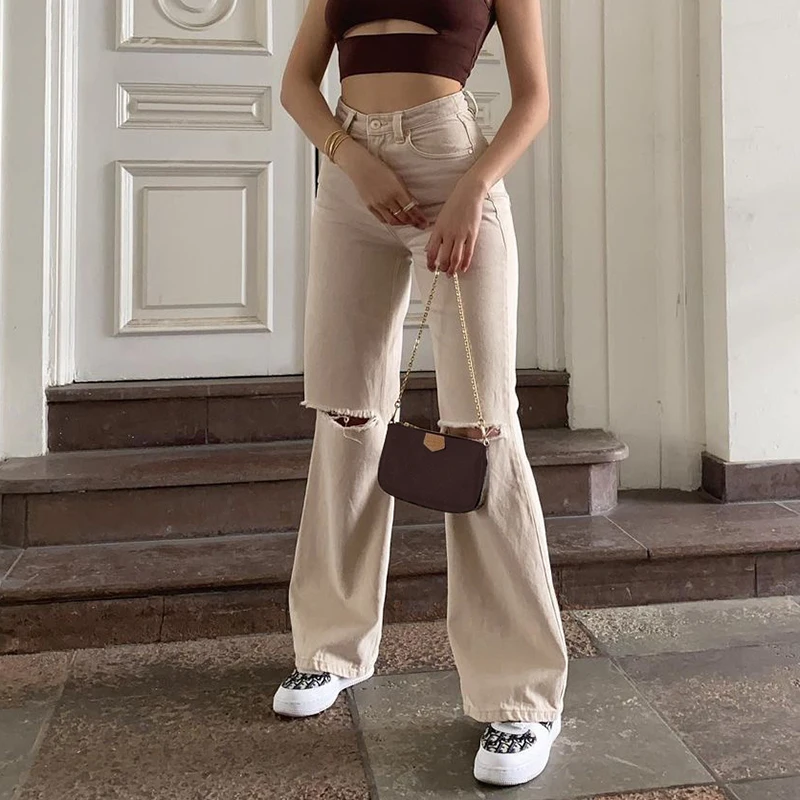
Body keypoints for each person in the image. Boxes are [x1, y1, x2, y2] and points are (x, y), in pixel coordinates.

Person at [273, 0, 569, 787]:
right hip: (352, 184)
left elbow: (535, 98)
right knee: (346, 414)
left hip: (453, 168)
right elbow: (297, 84)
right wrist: (351, 158)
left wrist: (475, 187)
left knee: (479, 427)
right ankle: (330, 649)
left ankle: (520, 697)